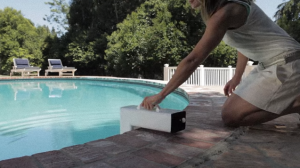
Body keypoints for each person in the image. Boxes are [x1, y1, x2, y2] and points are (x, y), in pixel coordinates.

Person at [141, 0, 300, 127]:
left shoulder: (225, 13)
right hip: (270, 64)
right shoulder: (228, 9)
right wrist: (237, 77)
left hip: (288, 63)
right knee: (231, 111)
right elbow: (244, 42)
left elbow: (194, 59)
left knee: (231, 117)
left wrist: (161, 95)